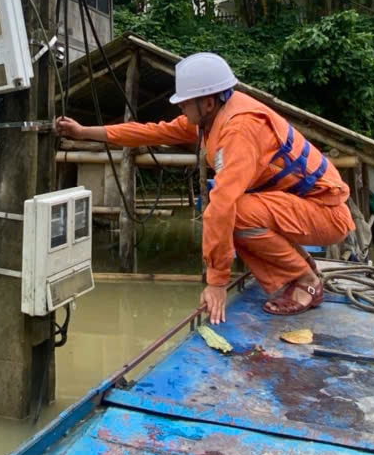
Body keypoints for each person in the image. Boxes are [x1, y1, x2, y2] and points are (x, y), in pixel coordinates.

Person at [55, 52, 354, 325]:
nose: (181, 107)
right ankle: (301, 267)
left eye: (185, 102)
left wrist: (216, 281)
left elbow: (220, 209)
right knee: (238, 212)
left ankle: (305, 282)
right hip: (300, 207)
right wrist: (85, 132)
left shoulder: (240, 130)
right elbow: (149, 131)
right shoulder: (213, 117)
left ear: (208, 101)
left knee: (233, 214)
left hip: (326, 214)